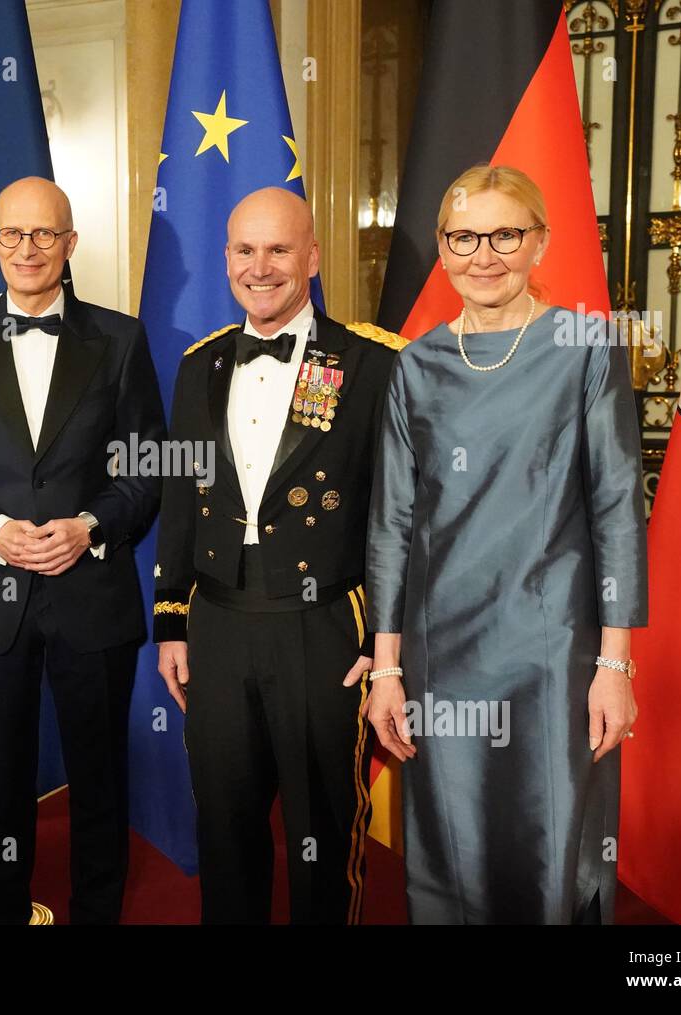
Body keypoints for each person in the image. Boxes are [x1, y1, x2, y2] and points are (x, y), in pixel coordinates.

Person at [365, 163, 648, 925]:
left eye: (504, 235)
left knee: (548, 842)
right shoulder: (415, 365)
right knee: (451, 851)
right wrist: (386, 668)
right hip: (439, 651)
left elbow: (618, 504)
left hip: (553, 652)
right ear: (442, 245)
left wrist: (615, 662)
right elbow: (391, 522)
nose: (482, 255)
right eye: (463, 236)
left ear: (540, 241)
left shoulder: (586, 347)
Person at [0, 176, 166, 925]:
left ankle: (96, 913)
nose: (27, 249)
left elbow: (151, 461)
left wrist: (90, 523)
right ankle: (2, 913)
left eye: (44, 235)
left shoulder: (120, 339)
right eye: (12, 235)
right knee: (2, 779)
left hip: (92, 592)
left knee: (98, 777)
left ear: (70, 244)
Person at [153, 187, 404, 924]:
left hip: (325, 625)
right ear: (226, 258)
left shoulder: (372, 363)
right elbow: (179, 497)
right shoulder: (198, 365)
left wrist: (381, 640)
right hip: (219, 624)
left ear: (312, 257)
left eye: (279, 249)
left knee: (322, 836)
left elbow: (403, 513)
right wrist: (171, 620)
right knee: (225, 832)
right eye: (244, 250)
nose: (259, 267)